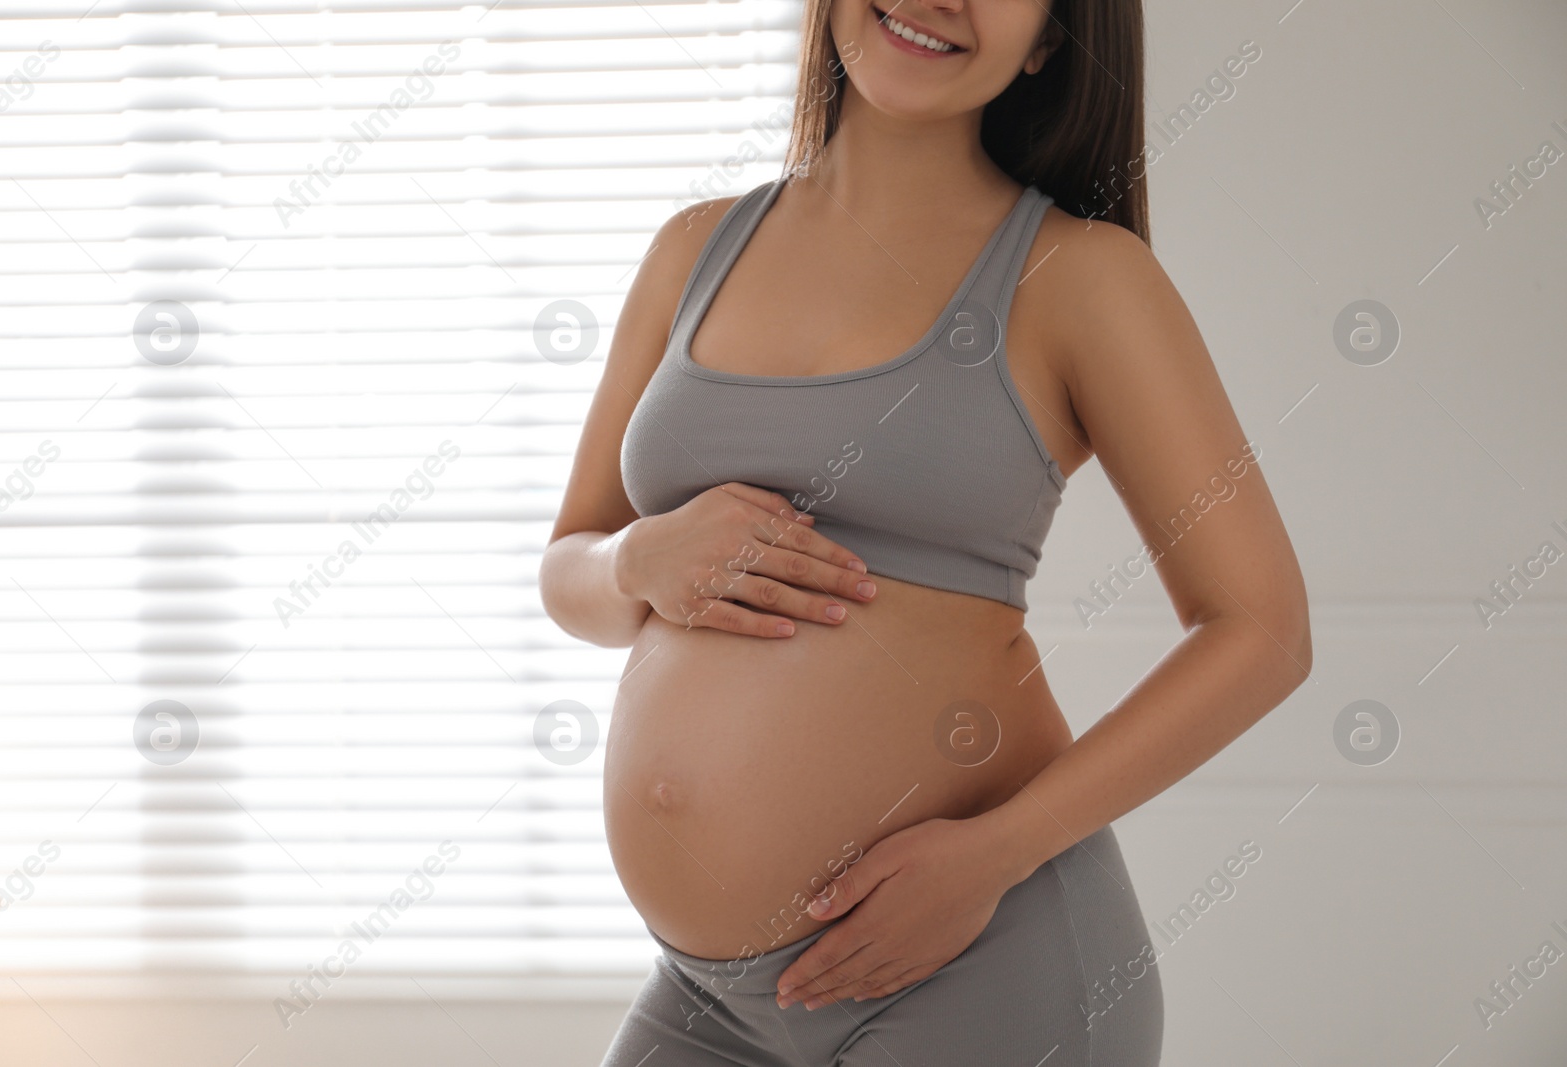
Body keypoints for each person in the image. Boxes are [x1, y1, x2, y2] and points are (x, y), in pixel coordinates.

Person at [540, 0, 1311, 1061]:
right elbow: (568, 568)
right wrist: (638, 556)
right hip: (708, 996)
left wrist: (994, 854)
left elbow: (1260, 629)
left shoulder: (1080, 279)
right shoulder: (691, 250)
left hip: (978, 964)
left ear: (1048, 38)